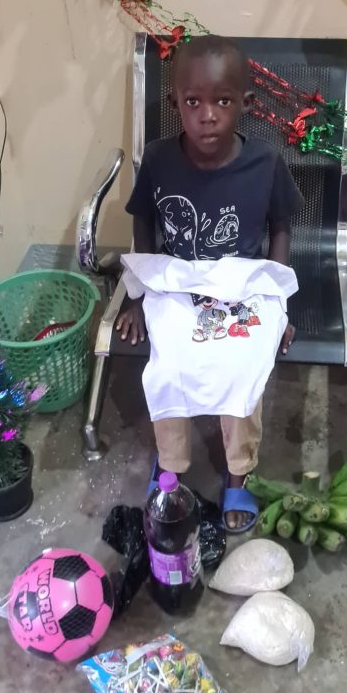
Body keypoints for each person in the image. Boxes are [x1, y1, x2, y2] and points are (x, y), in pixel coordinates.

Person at [117, 35, 303, 531]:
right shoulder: (159, 159)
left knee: (243, 367)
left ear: (246, 103)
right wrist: (137, 295)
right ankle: (171, 465)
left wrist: (277, 305)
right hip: (177, 283)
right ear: (175, 102)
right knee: (168, 365)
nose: (207, 116)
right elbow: (143, 220)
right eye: (193, 102)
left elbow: (281, 227)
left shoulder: (265, 163)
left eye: (222, 101)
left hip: (243, 286)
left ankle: (239, 473)